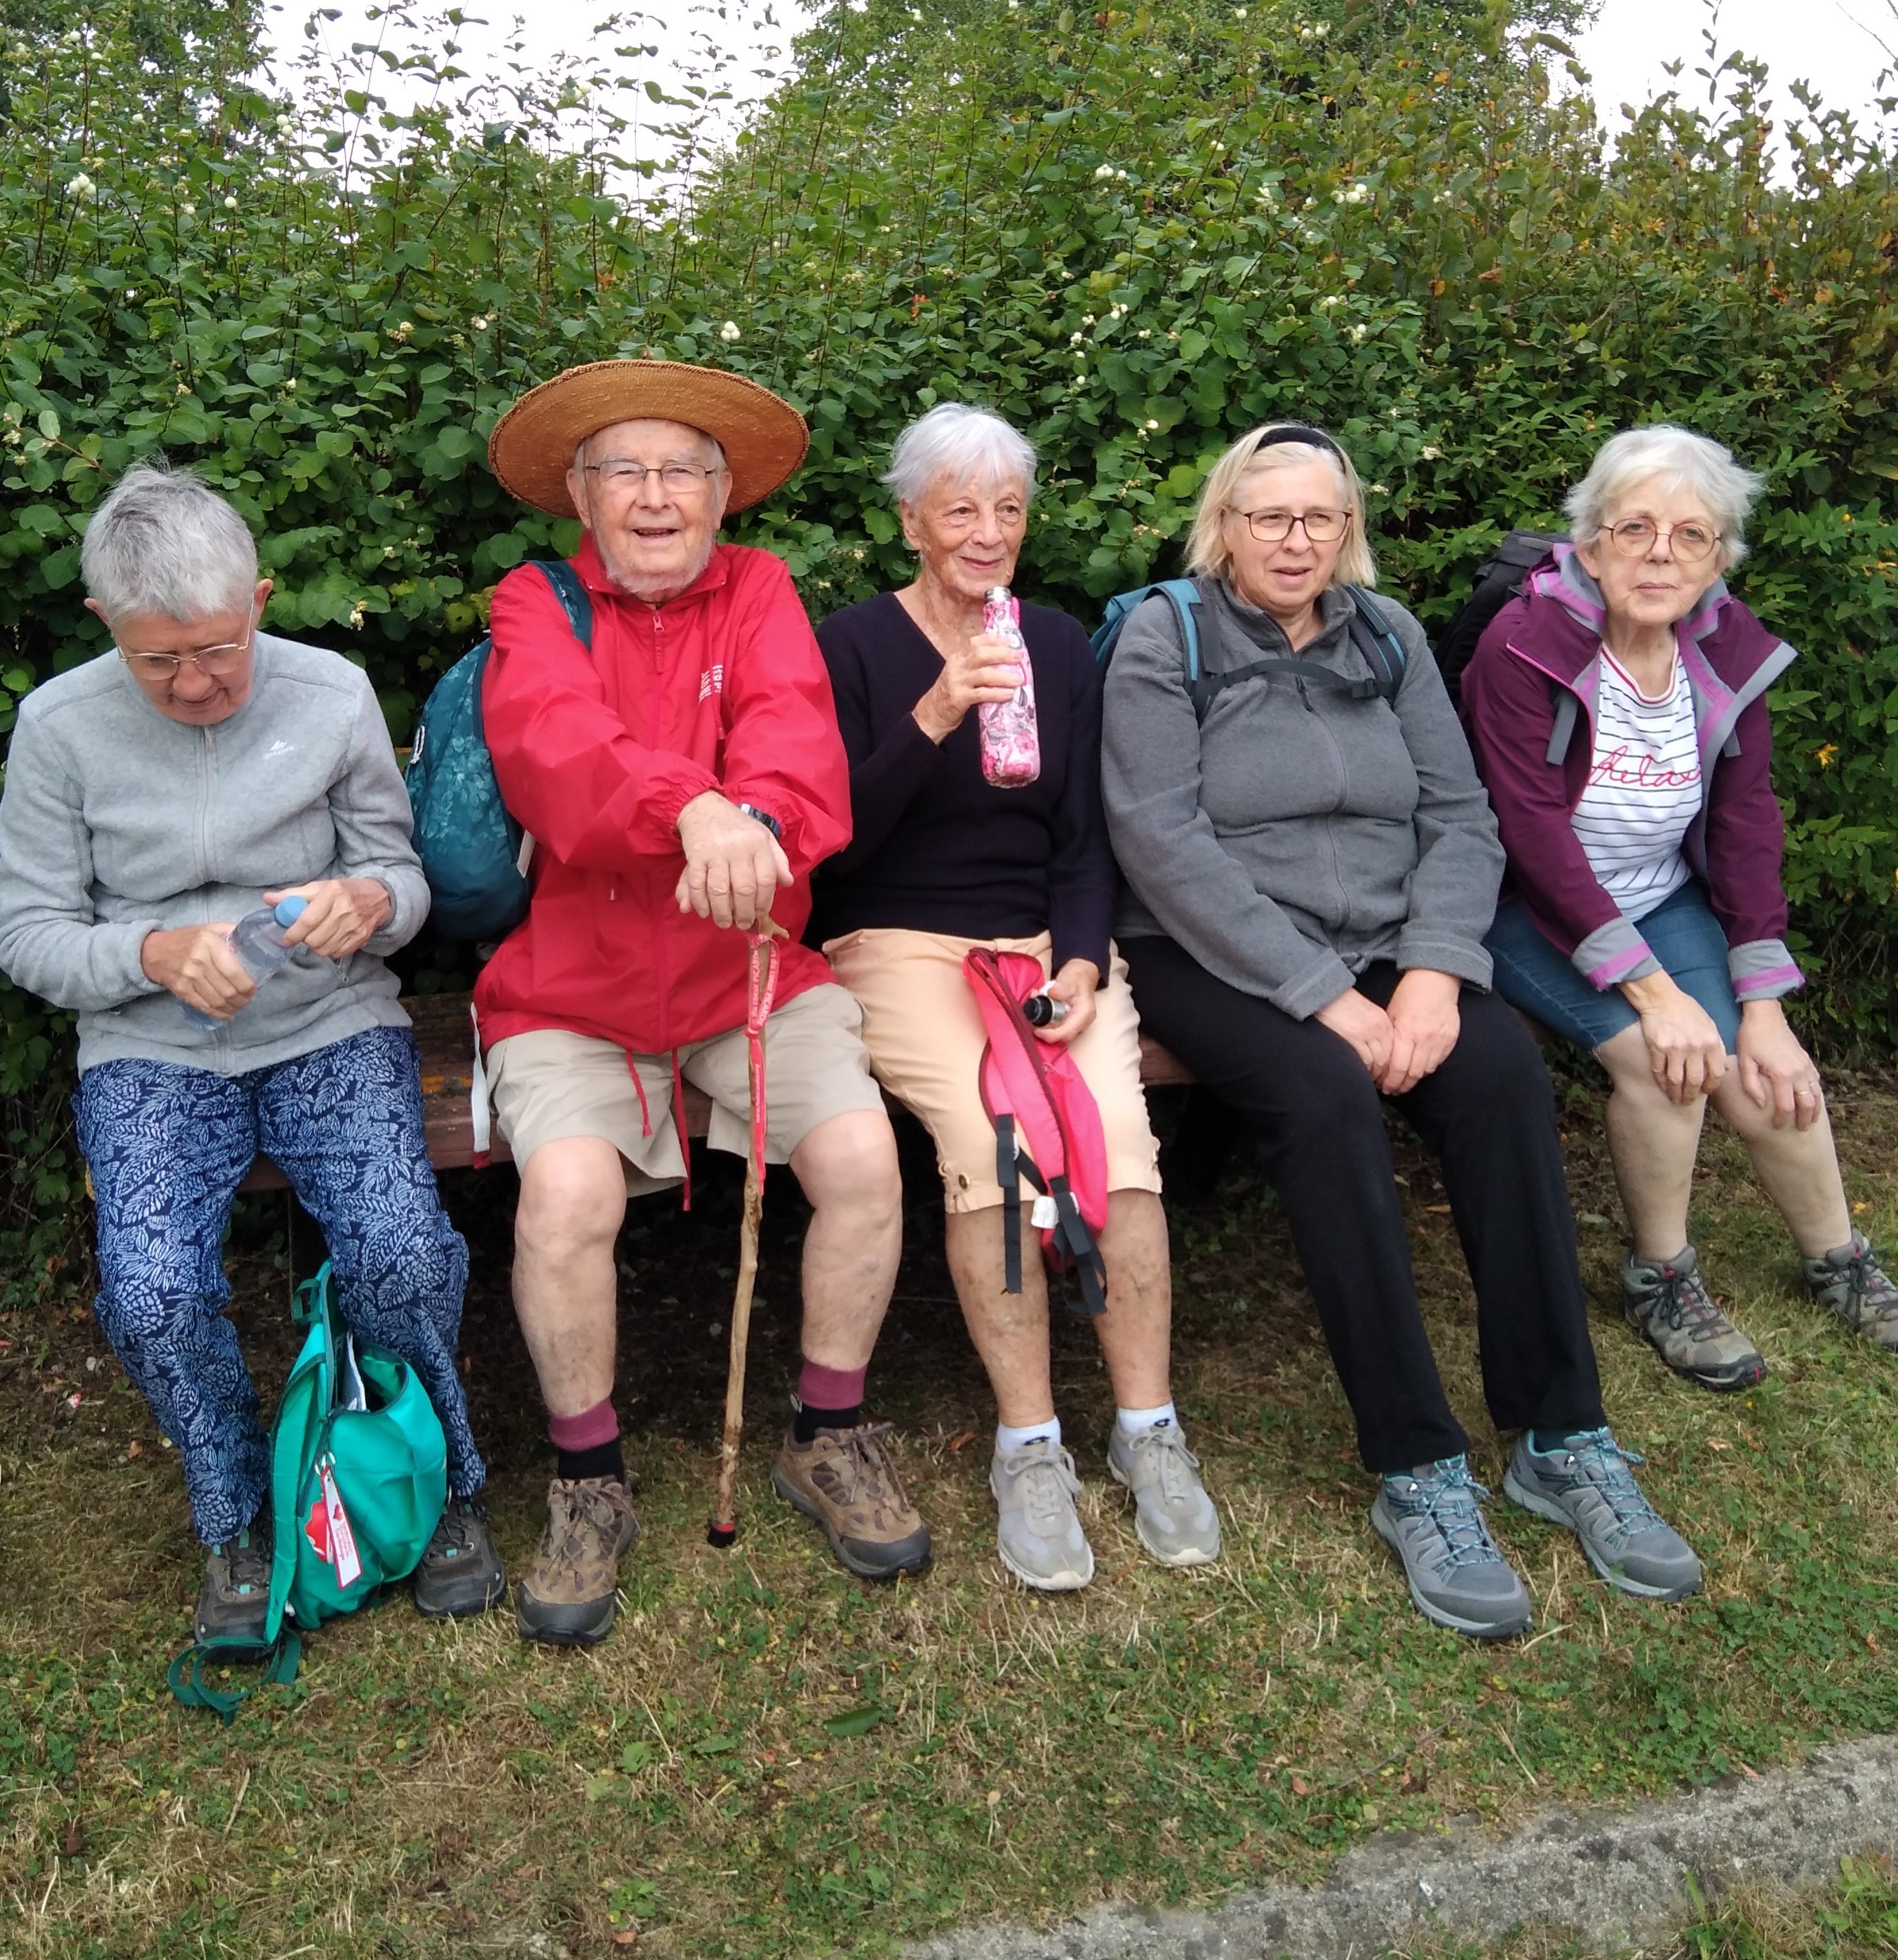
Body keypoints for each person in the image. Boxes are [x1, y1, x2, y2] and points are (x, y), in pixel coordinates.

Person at [1102, 422, 1703, 1640]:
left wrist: (1434, 972)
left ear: (1347, 530)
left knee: (1498, 1075)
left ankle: (1558, 1433)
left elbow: (1460, 811)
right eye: (1270, 515)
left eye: (1320, 518)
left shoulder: (1392, 636)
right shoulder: (1163, 637)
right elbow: (1161, 842)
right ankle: (1418, 1466)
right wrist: (1328, 996)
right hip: (1213, 950)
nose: (1295, 539)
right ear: (1223, 522)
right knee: (1326, 1098)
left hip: (1391, 943)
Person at [0, 464, 502, 1653]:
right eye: (157, 659)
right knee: (154, 1291)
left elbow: (409, 880)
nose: (197, 682)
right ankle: (233, 1510)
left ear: (261, 599)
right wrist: (153, 951)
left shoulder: (330, 694)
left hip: (328, 1024)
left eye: (219, 649)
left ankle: (433, 1484)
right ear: (102, 629)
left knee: (403, 1253)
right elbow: (29, 936)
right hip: (151, 1051)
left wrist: (365, 902)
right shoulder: (59, 728)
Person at [476, 358, 930, 1648]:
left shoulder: (764, 588)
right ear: (581, 491)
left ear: (724, 494)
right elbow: (551, 749)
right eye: (626, 469)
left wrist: (763, 822)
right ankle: (587, 1478)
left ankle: (826, 1433)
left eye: (684, 470)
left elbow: (799, 749)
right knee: (564, 1196)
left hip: (748, 964)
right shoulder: (535, 601)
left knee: (858, 1157)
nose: (657, 495)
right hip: (577, 982)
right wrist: (691, 807)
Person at [812, 403, 1216, 1592]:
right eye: (960, 510)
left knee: (1119, 1147)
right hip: (895, 938)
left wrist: (1085, 965)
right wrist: (935, 713)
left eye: (1008, 510)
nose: (987, 533)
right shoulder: (853, 645)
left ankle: (1149, 1430)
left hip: (1043, 941)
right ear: (910, 524)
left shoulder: (1054, 639)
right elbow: (831, 844)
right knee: (994, 1150)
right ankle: (1027, 1445)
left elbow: (1083, 838)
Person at [1462, 422, 1898, 1390]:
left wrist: (1766, 1006)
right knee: (1668, 1065)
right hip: (1523, 906)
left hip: (1661, 896)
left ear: (1720, 557)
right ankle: (1661, 1276)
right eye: (1636, 529)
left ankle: (1842, 1261)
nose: (1661, 554)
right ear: (1590, 539)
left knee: (1762, 1066)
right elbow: (1534, 837)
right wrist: (1656, 996)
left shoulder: (1726, 649)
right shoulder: (1522, 646)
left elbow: (1746, 824)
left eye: (1690, 535)